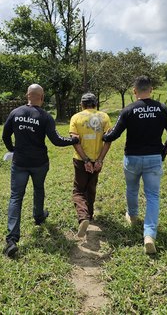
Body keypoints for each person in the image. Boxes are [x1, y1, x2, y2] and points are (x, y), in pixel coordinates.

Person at [103, 76, 167, 254]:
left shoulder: (129, 109)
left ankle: (133, 216)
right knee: (152, 195)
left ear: (134, 91)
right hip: (154, 157)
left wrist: (105, 136)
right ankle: (149, 235)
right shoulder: (162, 108)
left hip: (132, 158)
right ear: (151, 90)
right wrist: (165, 147)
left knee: (132, 189)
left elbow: (114, 134)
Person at [2, 84, 79, 257]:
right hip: (39, 163)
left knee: (16, 197)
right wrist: (73, 140)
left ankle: (12, 240)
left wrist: (13, 150)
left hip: (20, 162)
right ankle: (38, 216)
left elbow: (5, 135)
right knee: (38, 188)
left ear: (26, 95)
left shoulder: (15, 113)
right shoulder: (45, 117)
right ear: (42, 97)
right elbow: (57, 140)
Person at [69, 92, 112, 238]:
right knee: (91, 186)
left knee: (79, 190)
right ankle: (90, 214)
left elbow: (75, 141)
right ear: (95, 104)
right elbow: (108, 140)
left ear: (82, 105)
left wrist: (85, 160)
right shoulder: (104, 117)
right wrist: (99, 160)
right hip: (97, 159)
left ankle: (83, 217)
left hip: (81, 160)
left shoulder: (76, 117)